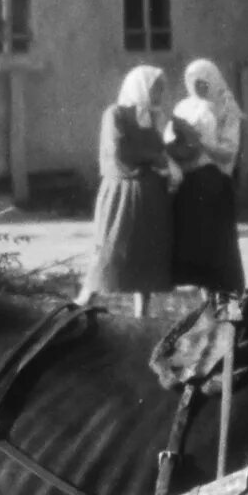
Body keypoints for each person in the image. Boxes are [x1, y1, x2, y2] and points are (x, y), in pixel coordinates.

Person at [84, 65, 177, 314]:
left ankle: (141, 314)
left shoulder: (151, 118)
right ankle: (83, 301)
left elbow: (162, 151)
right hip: (122, 194)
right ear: (140, 88)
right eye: (155, 88)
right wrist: (154, 159)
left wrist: (163, 159)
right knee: (111, 248)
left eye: (160, 89)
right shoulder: (115, 114)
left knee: (144, 253)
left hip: (150, 196)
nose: (159, 94)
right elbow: (118, 153)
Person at [166, 58, 248, 292]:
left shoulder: (227, 109)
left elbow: (228, 152)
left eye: (203, 82)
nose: (198, 88)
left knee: (216, 248)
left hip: (214, 185)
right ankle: (203, 301)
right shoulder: (183, 108)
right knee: (194, 246)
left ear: (213, 81)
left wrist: (200, 143)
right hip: (187, 186)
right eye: (193, 83)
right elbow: (170, 140)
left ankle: (223, 298)